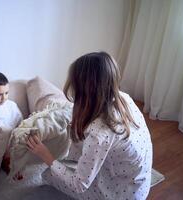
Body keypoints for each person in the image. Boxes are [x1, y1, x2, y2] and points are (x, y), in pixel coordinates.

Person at [26, 52, 153, 199]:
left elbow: (78, 185)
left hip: (121, 194)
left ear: (83, 90)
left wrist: (46, 155)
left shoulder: (99, 134)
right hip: (139, 183)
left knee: (48, 175)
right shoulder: (124, 97)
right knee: (73, 159)